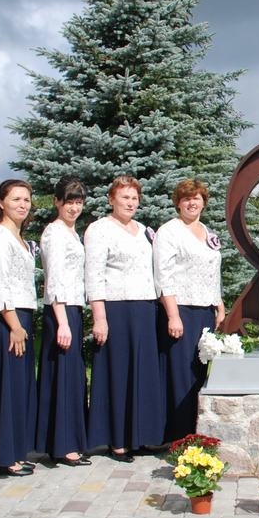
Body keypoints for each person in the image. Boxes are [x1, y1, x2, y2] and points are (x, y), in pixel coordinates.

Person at [85, 175, 163, 461]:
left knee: (142, 373)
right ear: (111, 199)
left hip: (144, 308)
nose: (130, 203)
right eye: (124, 197)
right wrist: (100, 317)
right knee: (118, 375)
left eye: (134, 198)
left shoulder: (144, 230)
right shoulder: (99, 229)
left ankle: (138, 436)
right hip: (115, 309)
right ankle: (117, 440)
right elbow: (93, 275)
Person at [154, 179, 225, 443]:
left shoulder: (207, 231)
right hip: (181, 310)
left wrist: (218, 303)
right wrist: (172, 314)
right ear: (178, 203)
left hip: (205, 311)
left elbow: (212, 271)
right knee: (180, 375)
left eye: (196, 198)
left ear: (204, 202)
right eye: (186, 199)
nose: (192, 203)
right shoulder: (169, 231)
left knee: (200, 372)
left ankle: (198, 432)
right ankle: (179, 437)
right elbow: (163, 276)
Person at [0, 179, 38, 476]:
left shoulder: (18, 235)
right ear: (0, 202)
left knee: (18, 389)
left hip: (21, 317)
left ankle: (14, 450)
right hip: (7, 320)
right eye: (16, 199)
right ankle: (4, 457)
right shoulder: (0, 236)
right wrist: (14, 325)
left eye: (26, 199)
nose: (22, 204)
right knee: (6, 388)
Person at [35, 176, 91, 466]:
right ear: (57, 202)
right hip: (61, 310)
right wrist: (63, 321)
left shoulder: (71, 232)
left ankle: (68, 440)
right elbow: (53, 279)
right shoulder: (54, 233)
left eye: (79, 202)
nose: (74, 208)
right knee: (62, 377)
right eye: (69, 202)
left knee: (72, 377)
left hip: (72, 309)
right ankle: (62, 445)